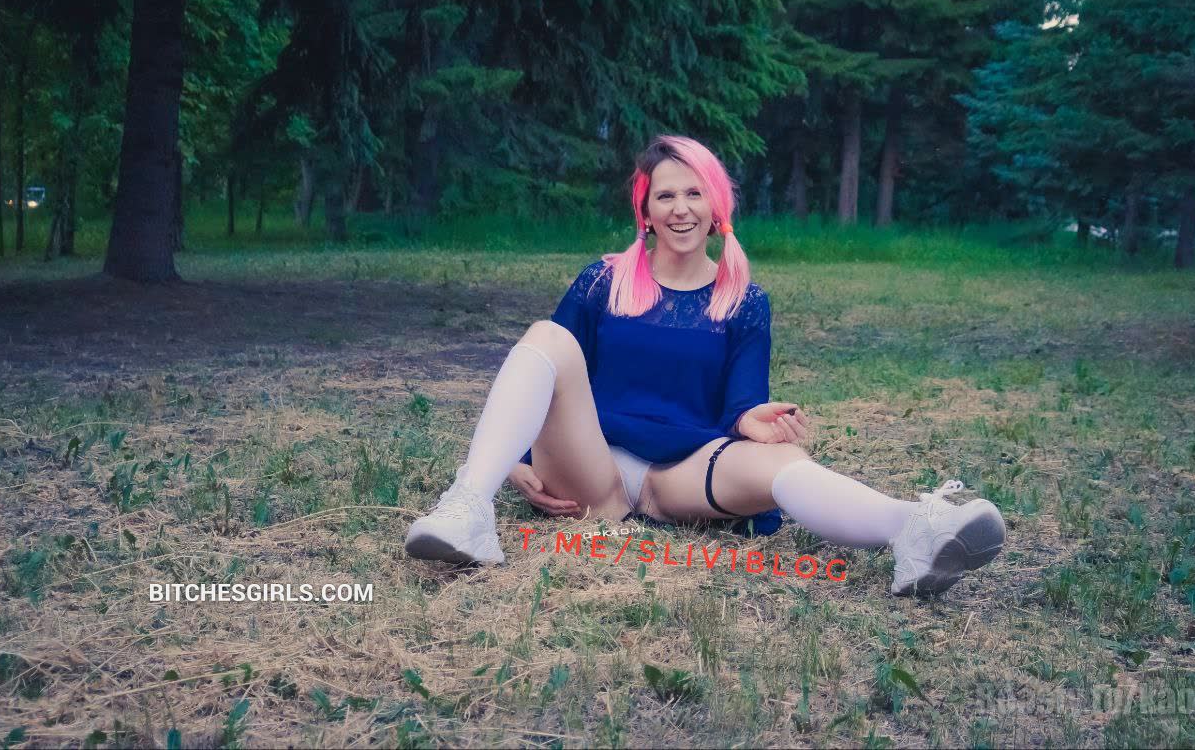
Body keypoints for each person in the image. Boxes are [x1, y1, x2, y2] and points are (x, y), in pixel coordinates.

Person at [405, 135, 1006, 596]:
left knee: (785, 461)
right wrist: (514, 465)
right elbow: (545, 379)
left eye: (694, 193)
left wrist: (752, 421)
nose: (681, 209)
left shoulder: (745, 301)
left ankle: (914, 531)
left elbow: (741, 404)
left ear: (716, 204)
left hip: (683, 475)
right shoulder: (602, 281)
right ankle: (468, 507)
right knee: (547, 336)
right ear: (645, 209)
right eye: (666, 195)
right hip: (594, 469)